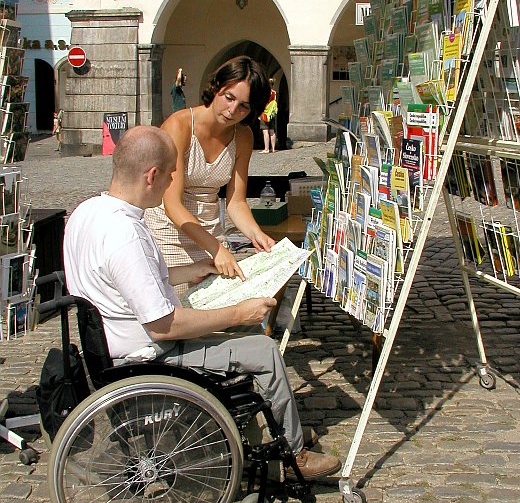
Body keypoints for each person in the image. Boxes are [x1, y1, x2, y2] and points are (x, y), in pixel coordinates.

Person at [63, 125, 341, 480]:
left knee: (238, 335)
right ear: (152, 175)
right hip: (147, 356)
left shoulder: (87, 213)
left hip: (112, 343)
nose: (171, 185)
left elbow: (121, 282)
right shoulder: (126, 235)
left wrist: (191, 270)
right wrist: (238, 312)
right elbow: (164, 326)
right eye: (170, 175)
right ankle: (293, 452)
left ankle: (278, 425)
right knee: (262, 348)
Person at [145, 56, 275, 289]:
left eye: (244, 106)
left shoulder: (243, 136)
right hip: (170, 234)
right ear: (216, 87)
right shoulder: (180, 126)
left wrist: (256, 234)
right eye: (229, 98)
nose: (233, 110)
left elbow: (236, 203)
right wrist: (216, 249)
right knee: (182, 314)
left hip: (211, 234)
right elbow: (172, 203)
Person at [259, 77, 278, 153]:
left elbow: (262, 103)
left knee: (265, 131)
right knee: (272, 131)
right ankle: (273, 148)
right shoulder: (274, 92)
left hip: (265, 113)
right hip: (271, 114)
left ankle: (266, 149)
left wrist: (259, 113)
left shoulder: (264, 93)